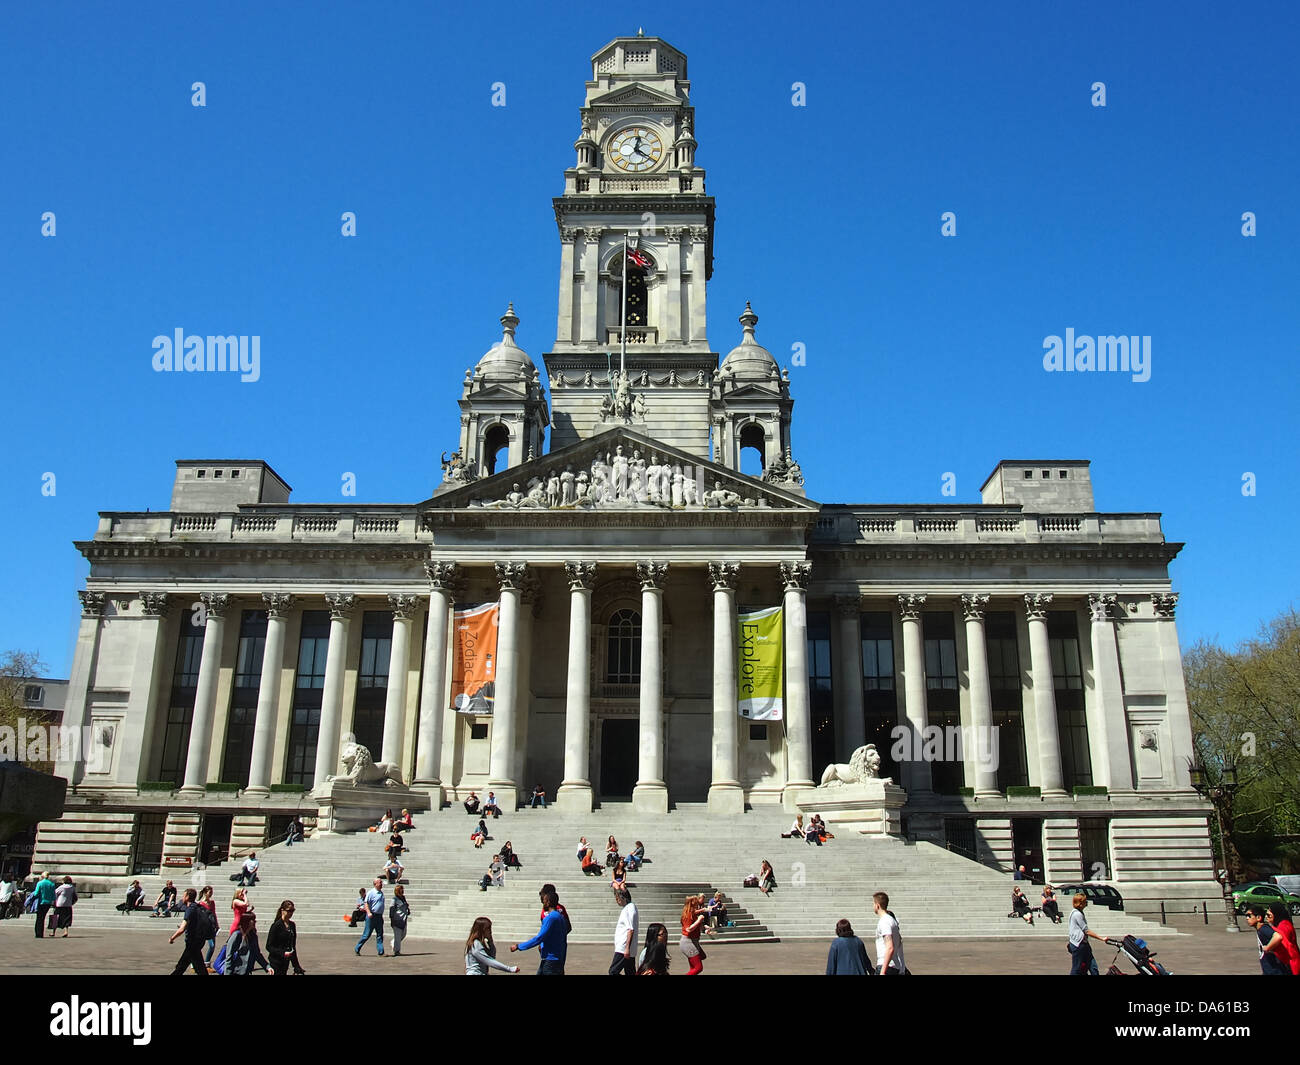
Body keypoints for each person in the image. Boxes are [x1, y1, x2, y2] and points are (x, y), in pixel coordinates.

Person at [511, 889, 568, 974]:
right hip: (556, 958)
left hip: (551, 960)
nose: (543, 903)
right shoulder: (560, 917)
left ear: (548, 902)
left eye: (544, 901)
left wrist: (519, 946)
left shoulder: (550, 918)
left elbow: (539, 938)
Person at [168, 887, 209, 976]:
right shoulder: (198, 906)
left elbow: (182, 929)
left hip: (192, 942)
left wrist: (172, 938)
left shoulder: (190, 909)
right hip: (200, 940)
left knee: (187, 966)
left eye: (184, 895)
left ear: (187, 897)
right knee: (187, 965)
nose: (182, 897)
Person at [1067, 891, 1106, 975]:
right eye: (1085, 901)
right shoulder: (1077, 914)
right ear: (1080, 903)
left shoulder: (1078, 912)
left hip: (1083, 944)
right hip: (1078, 944)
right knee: (1077, 968)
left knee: (1093, 966)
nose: (1087, 902)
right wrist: (1101, 938)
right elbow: (1086, 931)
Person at [267, 900, 306, 975]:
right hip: (276, 962)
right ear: (282, 910)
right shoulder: (276, 926)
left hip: (285, 962)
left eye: (292, 911)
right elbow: (269, 946)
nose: (291, 913)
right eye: (289, 911)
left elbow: (292, 946)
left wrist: (296, 966)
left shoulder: (292, 925)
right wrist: (282, 953)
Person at [679, 893, 714, 975]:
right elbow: (689, 929)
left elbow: (697, 923)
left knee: (695, 966)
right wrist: (699, 920)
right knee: (698, 968)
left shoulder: (692, 913)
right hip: (688, 942)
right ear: (692, 903)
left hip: (693, 941)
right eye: (696, 901)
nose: (698, 902)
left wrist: (705, 928)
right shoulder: (687, 915)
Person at [873, 892, 906, 975]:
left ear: (877, 905)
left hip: (886, 966)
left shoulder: (884, 922)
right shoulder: (892, 921)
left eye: (873, 903)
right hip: (892, 966)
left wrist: (883, 971)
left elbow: (890, 947)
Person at [1263, 901, 1300, 975]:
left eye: (1268, 915)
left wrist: (1268, 948)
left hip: (1290, 964)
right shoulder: (1281, 924)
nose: (1266, 917)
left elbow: (1283, 944)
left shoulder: (1284, 926)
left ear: (1276, 914)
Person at [609, 888, 639, 975]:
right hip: (628, 948)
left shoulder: (628, 909)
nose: (617, 901)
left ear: (622, 898)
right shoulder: (630, 908)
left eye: (617, 898)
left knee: (613, 971)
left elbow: (630, 929)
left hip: (623, 948)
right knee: (630, 971)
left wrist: (626, 948)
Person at [355, 878, 386, 956]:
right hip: (372, 916)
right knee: (367, 934)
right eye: (380, 882)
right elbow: (366, 903)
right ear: (375, 884)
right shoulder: (371, 893)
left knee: (380, 934)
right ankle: (357, 947)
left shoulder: (381, 893)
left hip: (379, 916)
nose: (381, 884)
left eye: (381, 882)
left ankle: (381, 951)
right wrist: (368, 912)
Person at [31, 871, 56, 939]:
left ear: (42, 877)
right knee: (43, 917)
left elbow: (36, 893)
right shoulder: (52, 884)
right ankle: (41, 933)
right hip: (48, 903)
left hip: (40, 902)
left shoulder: (40, 883)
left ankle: (38, 933)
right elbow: (54, 896)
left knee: (39, 918)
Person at [198, 885, 217, 964]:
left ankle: (207, 962)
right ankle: (194, 963)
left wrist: (216, 924)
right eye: (210, 892)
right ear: (205, 893)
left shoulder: (212, 902)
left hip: (211, 927)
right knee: (199, 946)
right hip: (204, 927)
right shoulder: (201, 904)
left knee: (212, 946)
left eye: (212, 892)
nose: (211, 894)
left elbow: (214, 914)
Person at [390, 884, 410, 957]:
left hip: (403, 919)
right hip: (397, 920)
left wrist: (408, 910)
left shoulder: (403, 898)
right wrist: (392, 919)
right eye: (401, 890)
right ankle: (397, 951)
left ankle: (393, 942)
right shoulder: (394, 899)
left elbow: (405, 905)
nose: (403, 891)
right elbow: (391, 909)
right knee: (398, 936)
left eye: (403, 889)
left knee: (404, 934)